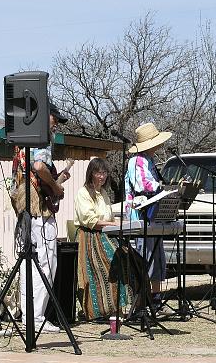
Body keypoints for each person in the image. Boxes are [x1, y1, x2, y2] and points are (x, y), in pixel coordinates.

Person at [12, 100, 70, 334]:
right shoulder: (42, 138)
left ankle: (29, 316)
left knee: (30, 262)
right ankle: (36, 317)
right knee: (46, 263)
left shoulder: (22, 137)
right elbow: (38, 166)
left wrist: (57, 181)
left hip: (25, 208)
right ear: (45, 116)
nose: (55, 125)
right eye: (54, 119)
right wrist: (56, 188)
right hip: (39, 211)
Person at [124, 122, 174, 317]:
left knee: (157, 259)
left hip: (152, 217)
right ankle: (144, 302)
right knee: (145, 260)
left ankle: (155, 299)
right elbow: (143, 184)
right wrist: (163, 188)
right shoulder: (137, 161)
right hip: (141, 215)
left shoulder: (148, 160)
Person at [74, 158, 134, 320]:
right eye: (98, 172)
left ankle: (125, 306)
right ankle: (106, 310)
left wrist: (124, 222)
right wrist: (115, 224)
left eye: (104, 173)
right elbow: (92, 221)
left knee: (130, 257)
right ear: (91, 174)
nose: (102, 176)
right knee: (113, 261)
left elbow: (109, 217)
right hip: (90, 237)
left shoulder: (103, 193)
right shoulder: (84, 193)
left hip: (105, 234)